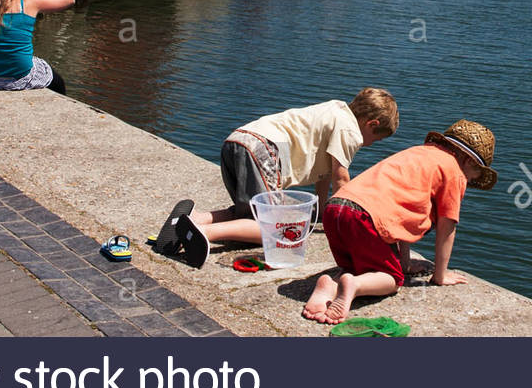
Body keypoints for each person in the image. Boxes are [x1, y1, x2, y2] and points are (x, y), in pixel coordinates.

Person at [162, 89, 399, 268]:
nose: (370, 144)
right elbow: (341, 178)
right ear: (372, 124)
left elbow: (325, 175)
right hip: (263, 149)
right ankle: (203, 232)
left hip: (238, 140)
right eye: (375, 139)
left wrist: (323, 212)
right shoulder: (350, 131)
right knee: (277, 232)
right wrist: (342, 224)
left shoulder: (336, 110)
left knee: (251, 213)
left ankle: (193, 218)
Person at [302, 119, 497, 325]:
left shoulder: (418, 153)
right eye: (474, 177)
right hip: (365, 217)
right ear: (468, 162)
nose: (469, 182)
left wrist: (404, 262)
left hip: (337, 208)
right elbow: (447, 227)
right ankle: (354, 285)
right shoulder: (455, 172)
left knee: (362, 267)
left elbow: (406, 215)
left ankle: (330, 286)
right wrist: (440, 275)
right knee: (391, 280)